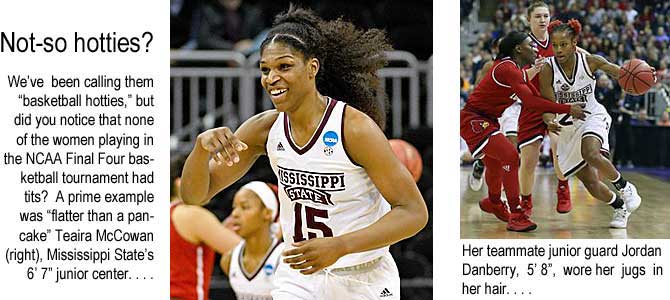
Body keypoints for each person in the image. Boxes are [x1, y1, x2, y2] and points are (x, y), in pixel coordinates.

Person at [181, 6, 428, 300]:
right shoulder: (263, 129)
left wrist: (340, 246)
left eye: (284, 67)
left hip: (363, 275)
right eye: (265, 69)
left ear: (312, 67)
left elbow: (414, 213)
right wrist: (199, 150)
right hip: (300, 278)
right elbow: (195, 195)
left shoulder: (355, 128)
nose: (272, 77)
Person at [460, 30, 586, 232]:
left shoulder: (515, 69)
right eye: (530, 44)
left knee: (493, 163)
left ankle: (493, 201)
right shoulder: (507, 68)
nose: (535, 47)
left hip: (487, 119)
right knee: (510, 155)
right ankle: (517, 213)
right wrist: (568, 109)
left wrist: (551, 114)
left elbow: (536, 96)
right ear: (518, 48)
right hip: (474, 119)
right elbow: (531, 101)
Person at [539, 19, 643, 229]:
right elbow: (547, 106)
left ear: (574, 43)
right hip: (567, 128)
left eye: (564, 44)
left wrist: (642, 75)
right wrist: (550, 120)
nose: (558, 49)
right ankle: (619, 205)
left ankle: (625, 187)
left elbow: (620, 72)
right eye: (555, 45)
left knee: (591, 153)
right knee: (591, 184)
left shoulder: (590, 61)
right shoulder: (548, 69)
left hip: (592, 116)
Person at [517, 1, 576, 215]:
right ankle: (525, 202)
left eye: (545, 16)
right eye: (538, 16)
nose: (543, 20)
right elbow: (517, 78)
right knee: (528, 159)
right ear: (529, 20)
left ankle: (563, 189)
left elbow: (579, 57)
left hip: (556, 102)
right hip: (532, 103)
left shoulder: (558, 41)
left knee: (559, 147)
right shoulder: (522, 45)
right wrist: (534, 69)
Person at [170, 157, 241, 300]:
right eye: (204, 178)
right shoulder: (192, 214)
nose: (210, 185)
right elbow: (245, 251)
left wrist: (217, 231)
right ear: (180, 183)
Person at [221, 181, 284, 300]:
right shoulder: (228, 259)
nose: (235, 214)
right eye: (234, 207)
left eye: (245, 207)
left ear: (267, 213)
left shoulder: (284, 259)